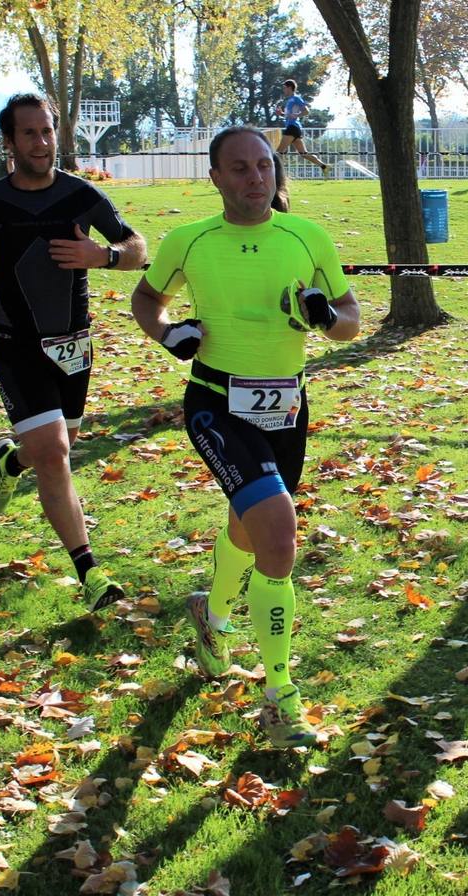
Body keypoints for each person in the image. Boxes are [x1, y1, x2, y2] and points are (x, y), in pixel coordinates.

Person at [130, 126, 360, 748]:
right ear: (215, 178)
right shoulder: (190, 241)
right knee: (279, 529)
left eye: (264, 166)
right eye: (239, 169)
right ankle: (280, 691)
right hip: (216, 403)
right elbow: (145, 299)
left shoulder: (307, 237)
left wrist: (326, 317)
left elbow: (350, 322)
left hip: (287, 406)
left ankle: (213, 613)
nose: (255, 178)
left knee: (251, 522)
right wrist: (168, 333)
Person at [0, 93, 147, 612]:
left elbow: (138, 249)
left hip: (73, 345)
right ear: (9, 142)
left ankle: (12, 461)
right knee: (56, 455)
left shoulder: (80, 196)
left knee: (56, 447)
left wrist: (102, 256)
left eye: (48, 131)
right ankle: (91, 572)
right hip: (16, 345)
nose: (42, 143)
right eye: (29, 133)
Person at [275, 79, 330, 176]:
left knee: (279, 152)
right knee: (304, 154)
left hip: (292, 128)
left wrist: (296, 115)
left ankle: (278, 175)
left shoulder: (296, 98)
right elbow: (289, 115)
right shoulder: (289, 101)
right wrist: (282, 114)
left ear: (289, 88)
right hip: (294, 128)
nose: (283, 90)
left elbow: (306, 111)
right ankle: (324, 166)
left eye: (284, 88)